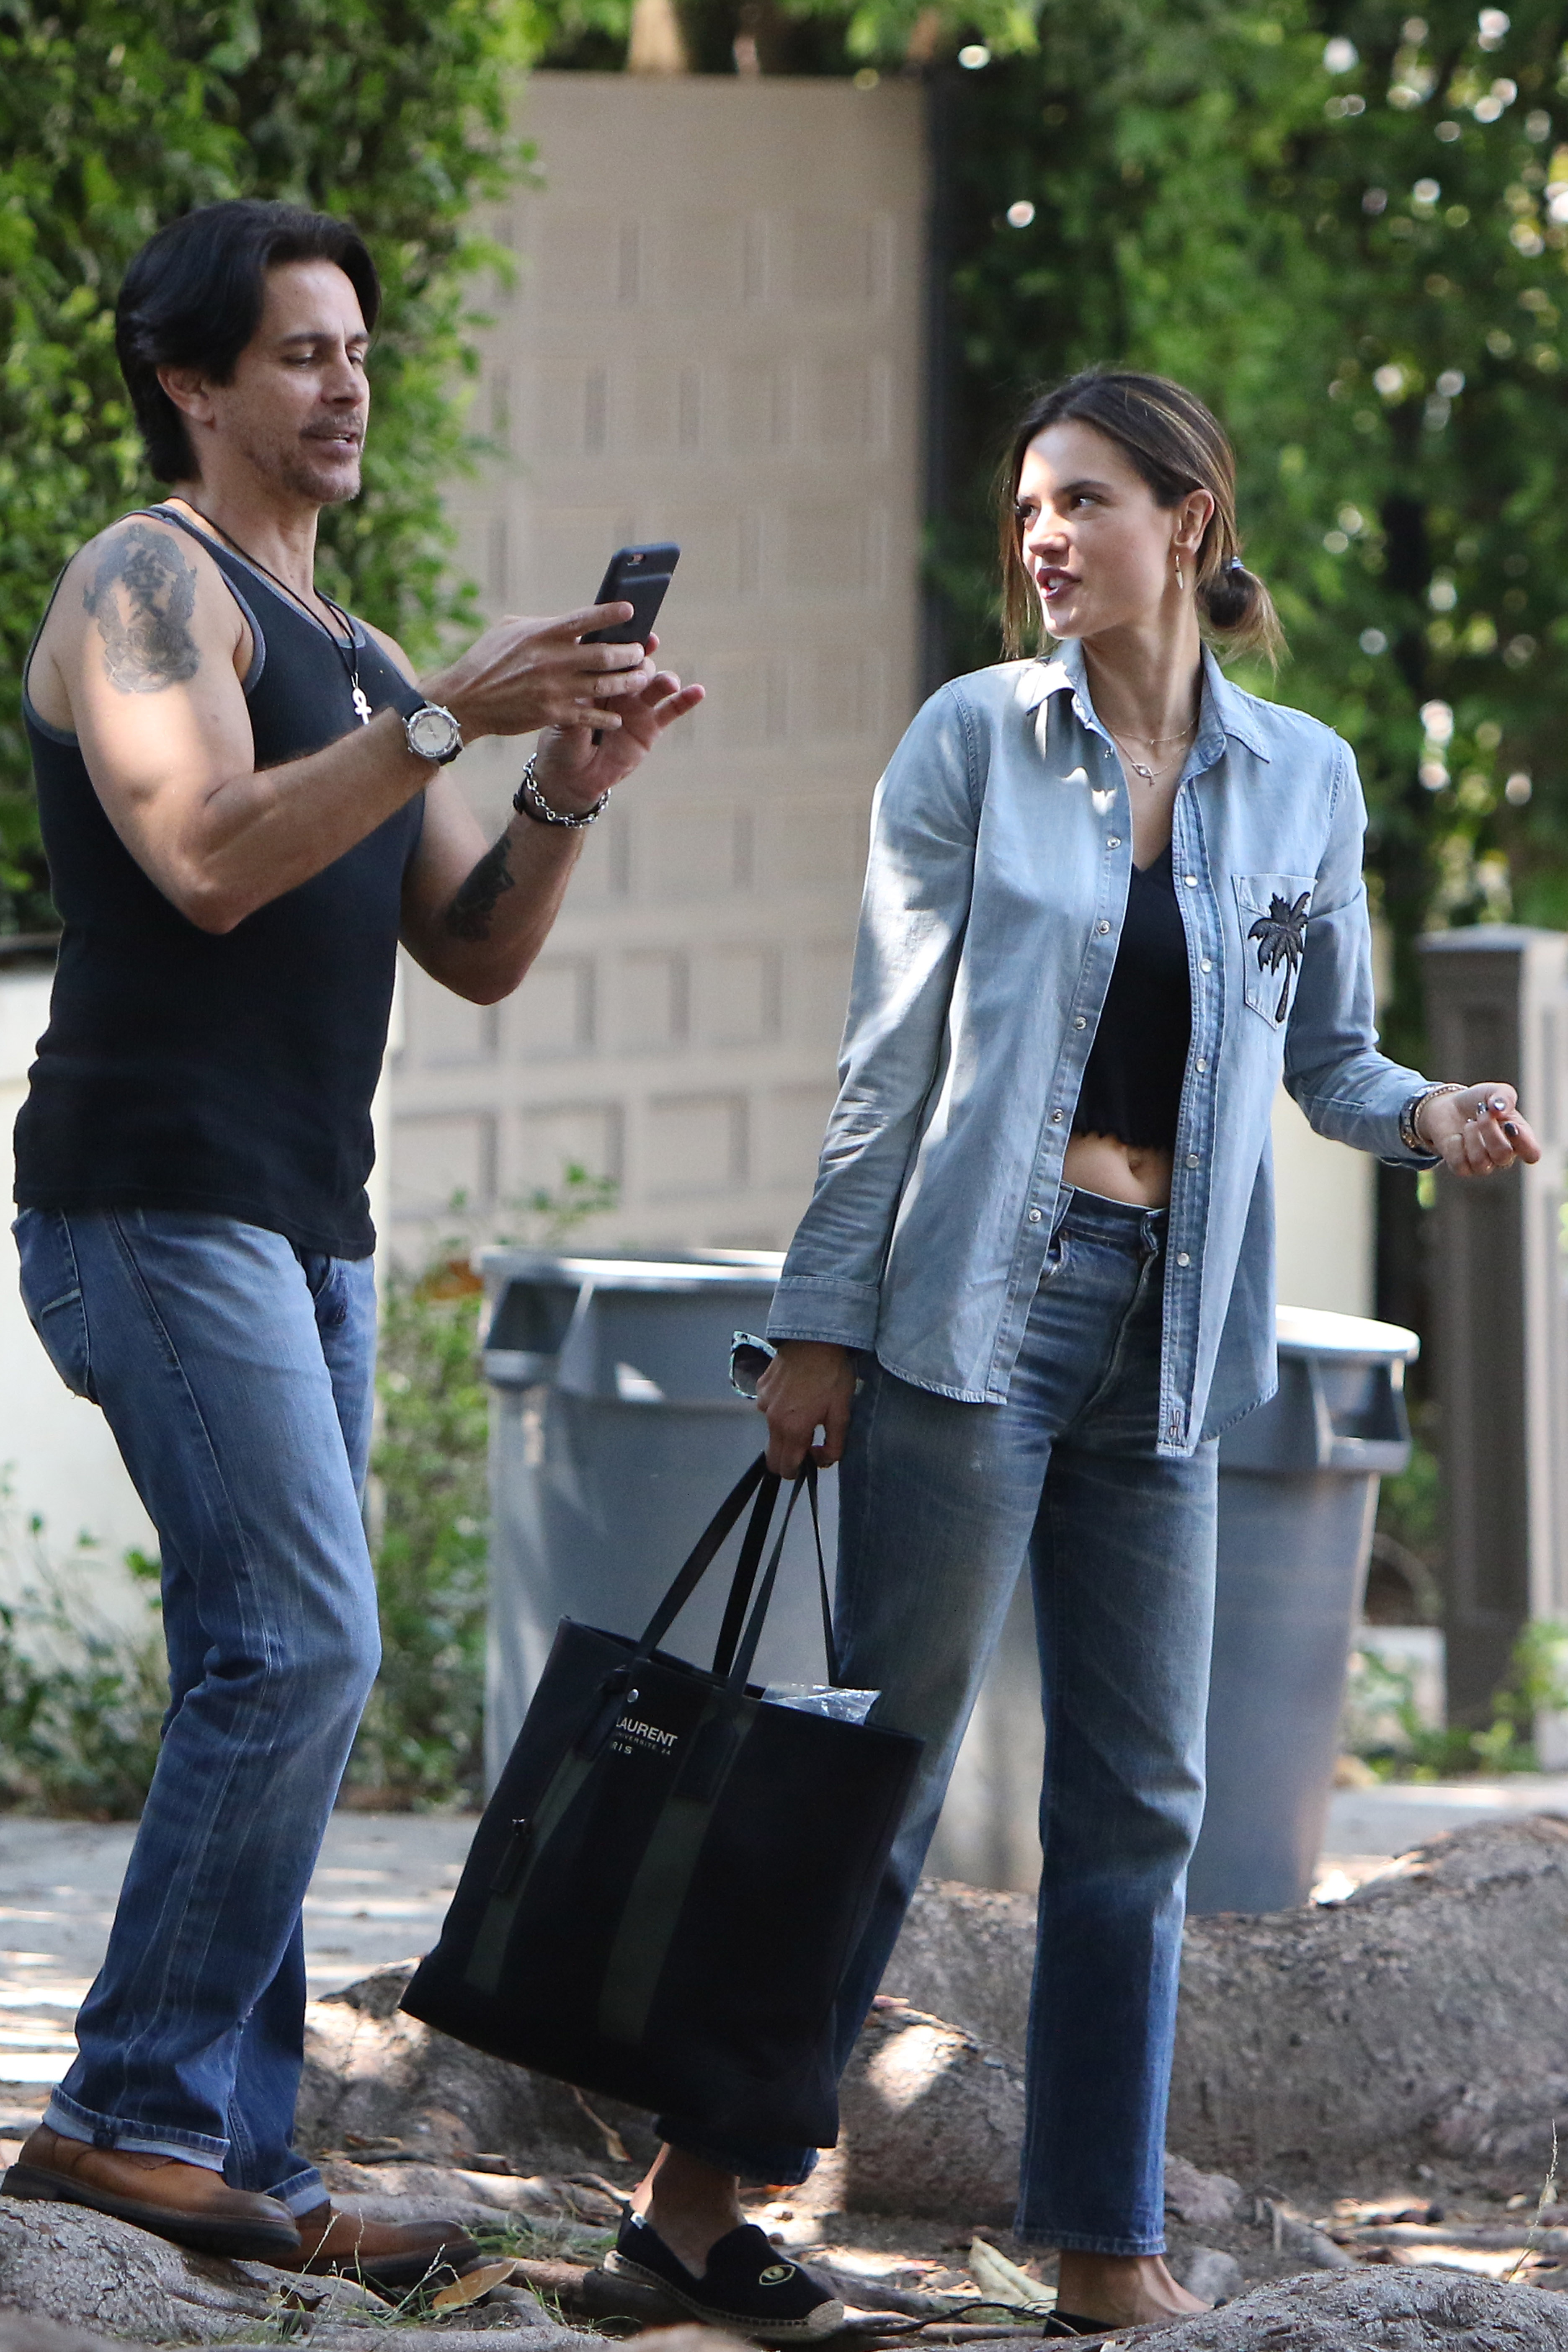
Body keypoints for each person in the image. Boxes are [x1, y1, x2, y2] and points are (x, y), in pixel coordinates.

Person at [608, 371, 1537, 2339]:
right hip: (974, 1314)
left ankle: (1106, 2250)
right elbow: (888, 1063)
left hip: (1170, 1331)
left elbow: (1328, 1057)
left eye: (1084, 501)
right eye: (1029, 505)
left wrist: (1430, 1113)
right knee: (879, 1766)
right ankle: (691, 2204)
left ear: (1187, 523)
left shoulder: (1305, 778)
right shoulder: (974, 740)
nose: (1042, 535)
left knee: (1143, 1803)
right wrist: (819, 1327)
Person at [3, 198, 700, 2280]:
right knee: (305, 1645)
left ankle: (247, 2163)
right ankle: (126, 2116)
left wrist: (562, 782)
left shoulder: (369, 656)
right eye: (301, 352)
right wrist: (448, 718)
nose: (347, 386)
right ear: (191, 382)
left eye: (360, 352)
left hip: (309, 1224)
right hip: (153, 1199)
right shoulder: (147, 584)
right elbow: (208, 856)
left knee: (271, 1659)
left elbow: (472, 946)